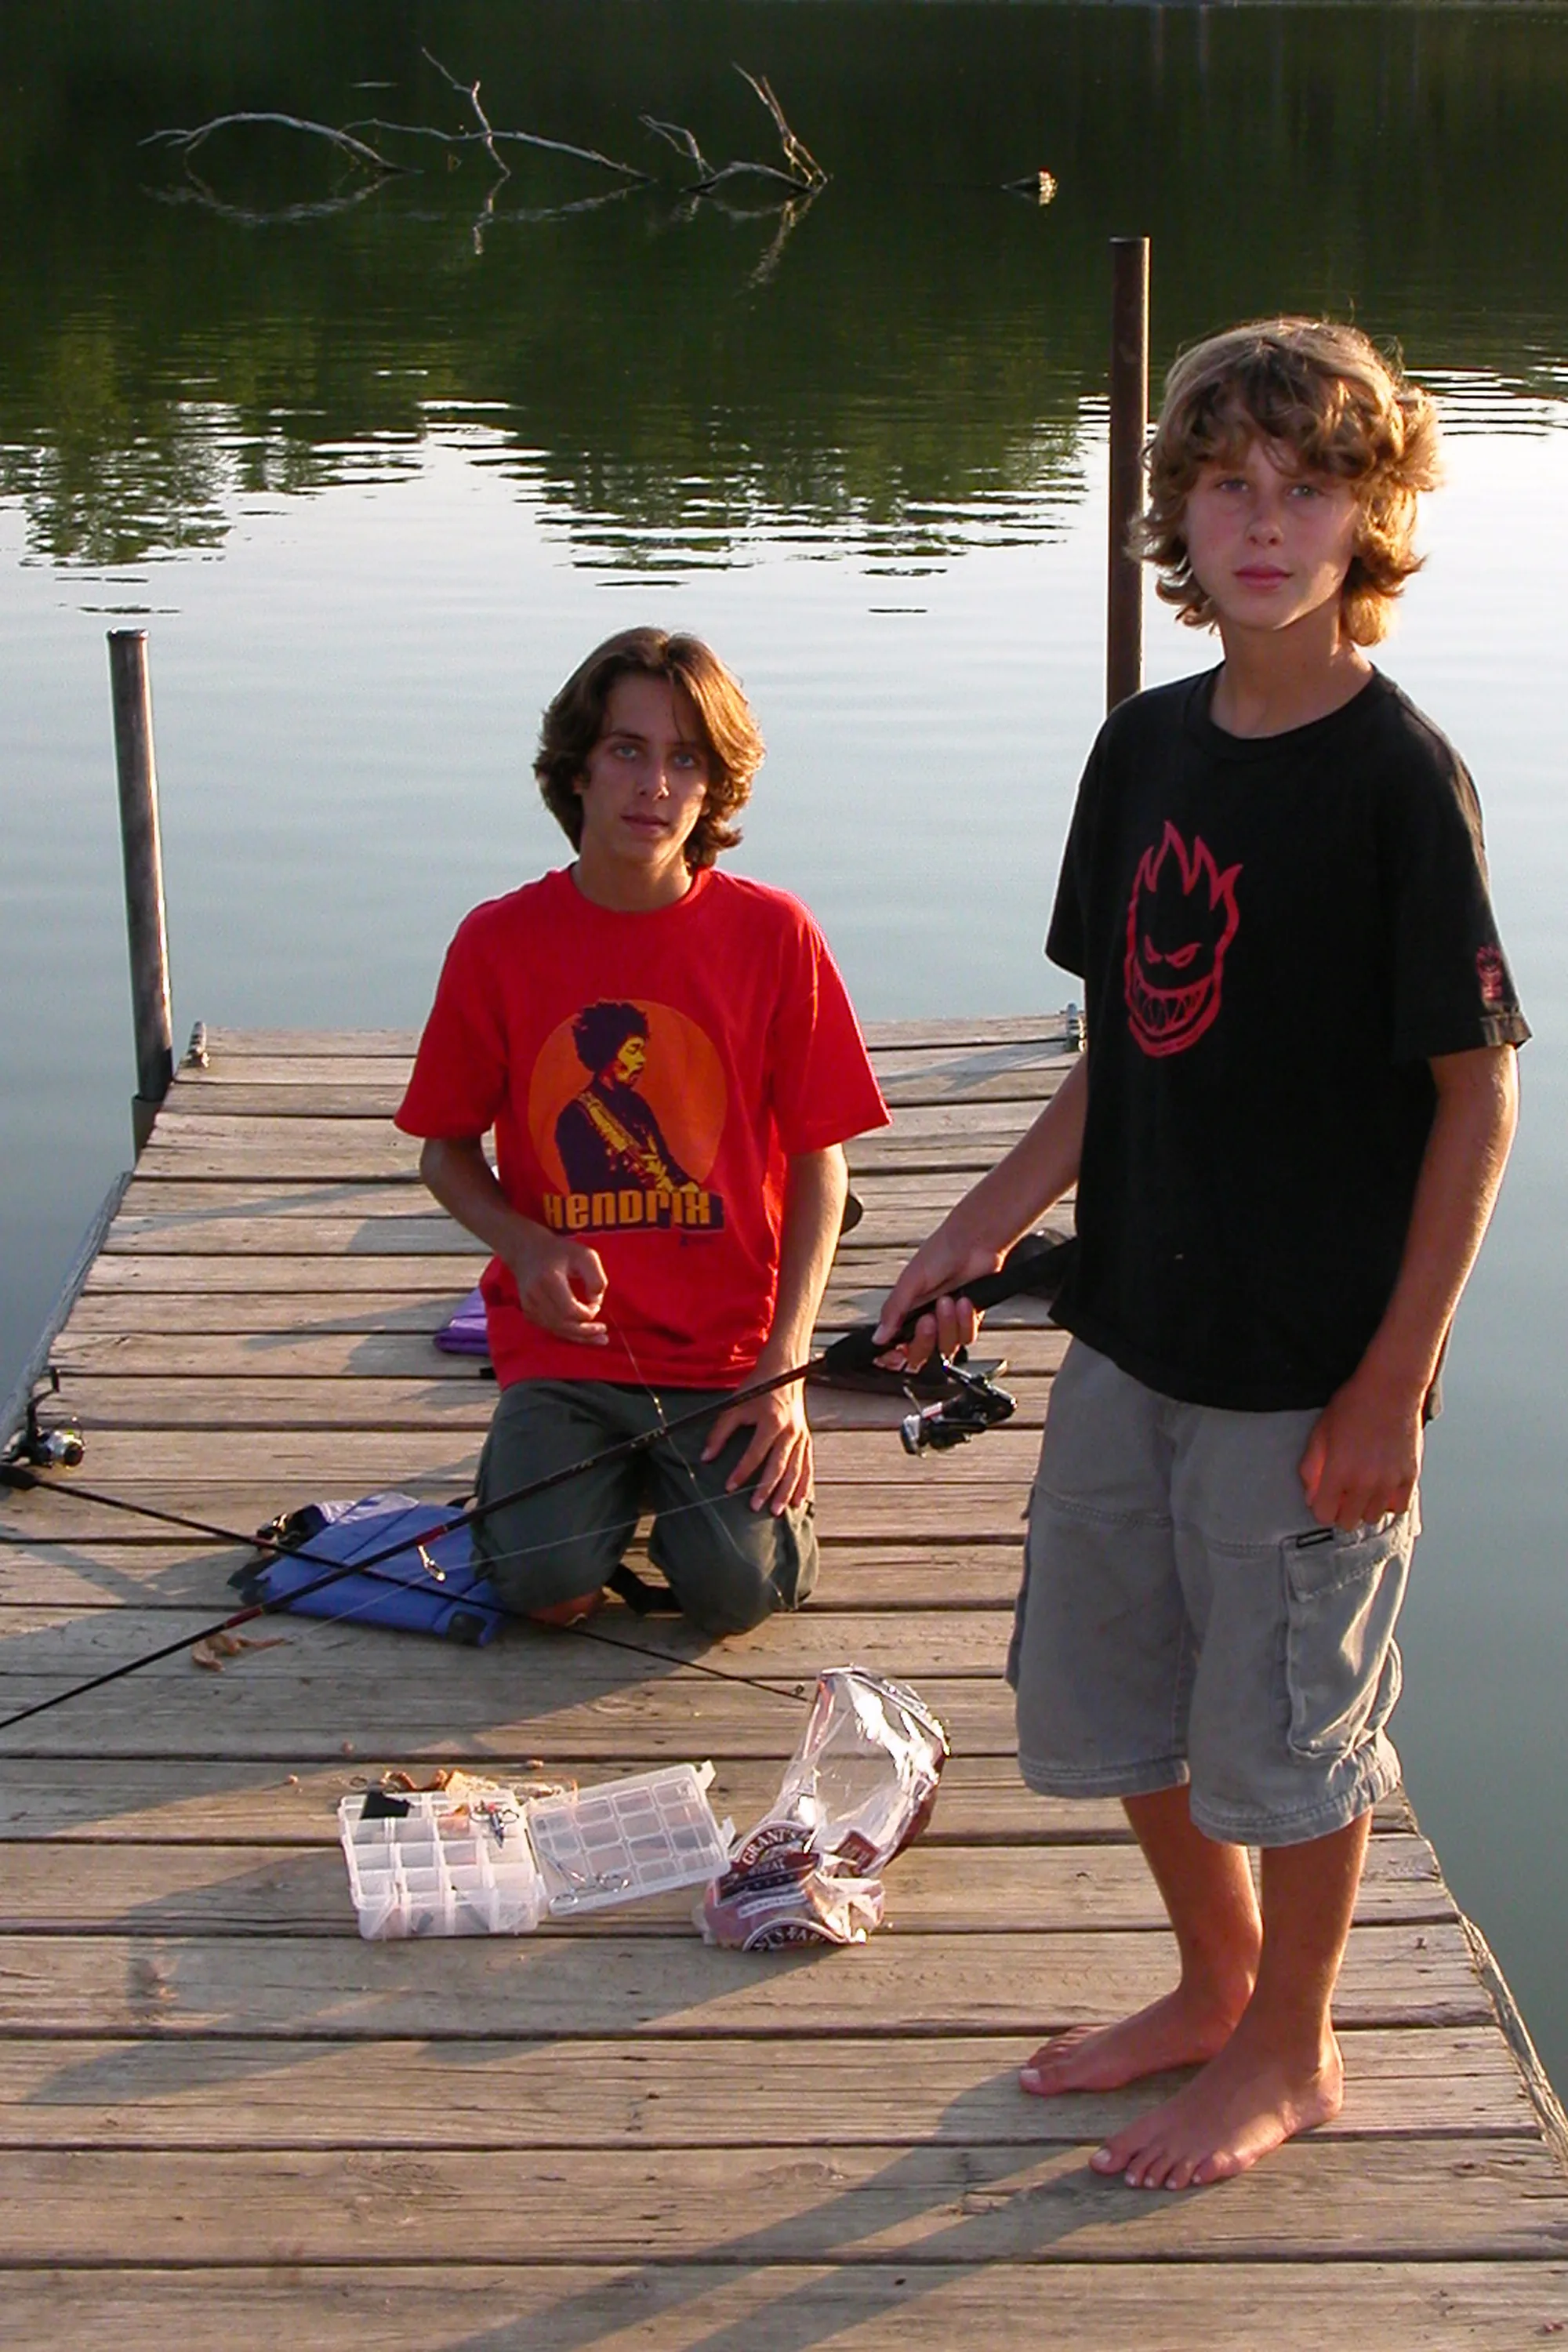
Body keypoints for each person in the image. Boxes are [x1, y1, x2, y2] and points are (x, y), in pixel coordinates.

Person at [875, 320, 1527, 2190]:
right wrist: (970, 1233)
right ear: (1173, 510)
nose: (1259, 521)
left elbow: (1474, 1104)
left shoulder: (1399, 781)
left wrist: (1388, 1381)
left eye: (1302, 485)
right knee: (1117, 1685)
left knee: (1285, 1731)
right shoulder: (1143, 747)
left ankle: (1294, 2042)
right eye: (1223, 484)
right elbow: (1114, 1058)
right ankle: (1214, 1974)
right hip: (1132, 1333)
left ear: (1370, 513)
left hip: (1306, 1368)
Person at [397, 627, 887, 1636]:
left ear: (713, 788)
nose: (652, 785)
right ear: (577, 769)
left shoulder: (772, 936)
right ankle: (574, 1487)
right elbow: (443, 1152)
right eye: (626, 750)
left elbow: (818, 1167)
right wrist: (525, 1245)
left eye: (684, 760)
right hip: (566, 1352)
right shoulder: (498, 943)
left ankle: (683, 1495)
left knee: (736, 1595)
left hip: (726, 1358)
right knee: (546, 1593)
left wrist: (783, 1371)